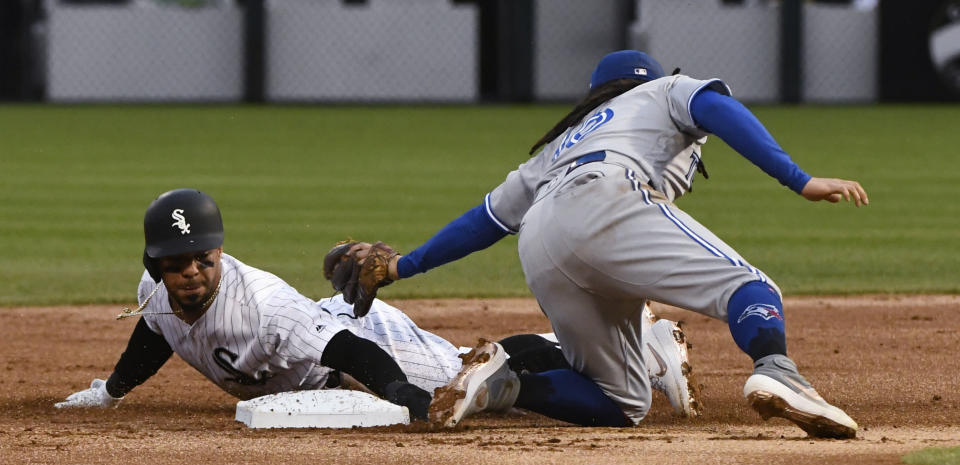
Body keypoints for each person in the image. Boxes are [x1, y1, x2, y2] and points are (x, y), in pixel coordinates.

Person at [332, 51, 868, 438]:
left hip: (540, 240)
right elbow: (717, 107)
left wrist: (403, 266)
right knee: (750, 287)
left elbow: (486, 220)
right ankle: (776, 370)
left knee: (621, 401)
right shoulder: (661, 91)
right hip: (610, 199)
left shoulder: (563, 142)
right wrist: (798, 179)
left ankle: (505, 383)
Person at [55, 188, 699, 420]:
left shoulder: (264, 307)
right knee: (465, 363)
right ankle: (633, 341)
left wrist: (402, 396)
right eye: (177, 265)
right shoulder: (156, 294)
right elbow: (155, 332)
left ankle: (640, 348)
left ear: (220, 254)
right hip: (323, 344)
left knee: (465, 380)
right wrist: (109, 392)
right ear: (155, 267)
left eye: (204, 259)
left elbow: (348, 349)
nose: (192, 274)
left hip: (349, 346)